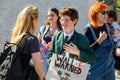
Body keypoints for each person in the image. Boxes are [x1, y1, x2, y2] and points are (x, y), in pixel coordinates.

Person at [47, 6, 96, 71]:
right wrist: (54, 63)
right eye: (61, 20)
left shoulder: (81, 38)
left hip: (75, 75)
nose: (63, 23)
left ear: (75, 21)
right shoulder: (57, 36)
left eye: (66, 20)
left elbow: (92, 57)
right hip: (59, 74)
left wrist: (78, 52)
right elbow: (50, 54)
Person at [10, 5, 45, 80]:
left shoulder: (17, 37)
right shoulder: (32, 40)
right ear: (34, 20)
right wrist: (42, 78)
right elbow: (38, 67)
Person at [84, 2, 115, 80]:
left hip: (109, 67)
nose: (106, 15)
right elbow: (85, 52)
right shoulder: (88, 30)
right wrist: (99, 41)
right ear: (95, 13)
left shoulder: (108, 27)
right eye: (103, 12)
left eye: (107, 13)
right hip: (95, 69)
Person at [107, 9, 120, 76]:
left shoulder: (115, 25)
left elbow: (118, 36)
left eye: (112, 20)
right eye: (109, 20)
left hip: (115, 45)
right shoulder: (105, 25)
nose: (111, 22)